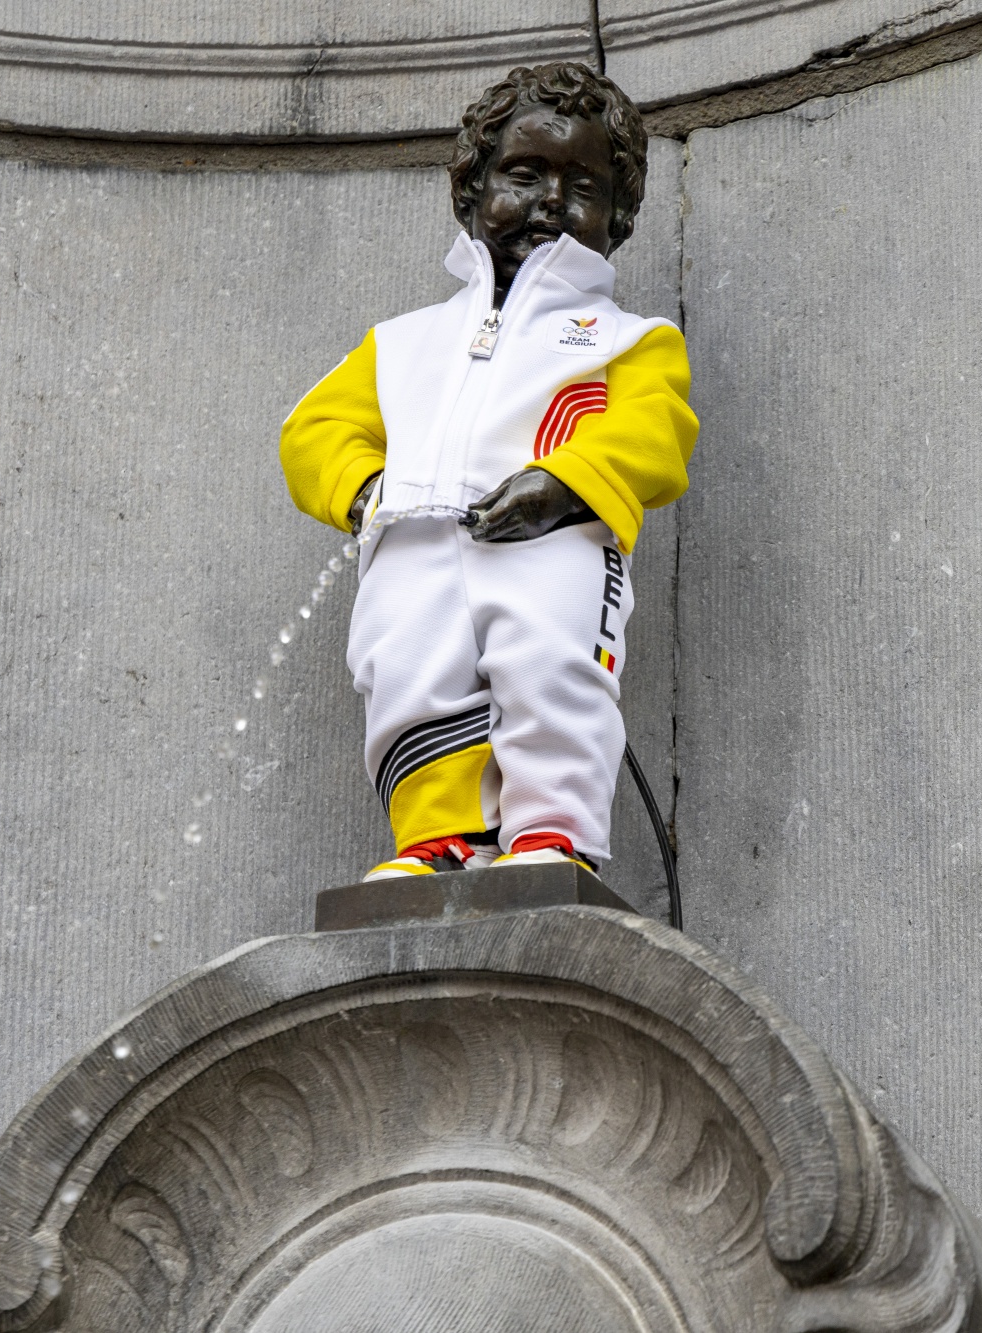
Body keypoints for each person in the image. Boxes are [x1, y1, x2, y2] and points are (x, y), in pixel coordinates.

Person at [279, 62, 697, 882]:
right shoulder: (403, 341)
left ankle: (552, 834)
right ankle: (438, 837)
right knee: (408, 676)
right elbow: (314, 427)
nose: (550, 200)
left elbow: (658, 429)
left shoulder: (625, 339)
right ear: (471, 190)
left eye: (583, 185)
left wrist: (567, 482)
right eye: (524, 173)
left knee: (556, 669)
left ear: (620, 217)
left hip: (555, 542)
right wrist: (363, 491)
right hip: (414, 545)